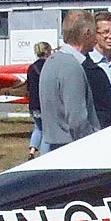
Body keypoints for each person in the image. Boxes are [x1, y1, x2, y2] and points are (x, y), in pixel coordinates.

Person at [39, 10, 101, 150]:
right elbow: (77, 120)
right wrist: (94, 146)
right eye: (95, 32)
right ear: (87, 33)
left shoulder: (51, 61)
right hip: (72, 147)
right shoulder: (71, 66)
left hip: (54, 145)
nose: (97, 38)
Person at [25, 40, 53, 155]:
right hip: (45, 104)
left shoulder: (31, 68)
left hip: (33, 105)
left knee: (38, 128)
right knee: (47, 132)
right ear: (47, 51)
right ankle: (44, 155)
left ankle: (32, 150)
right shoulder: (49, 66)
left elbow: (28, 87)